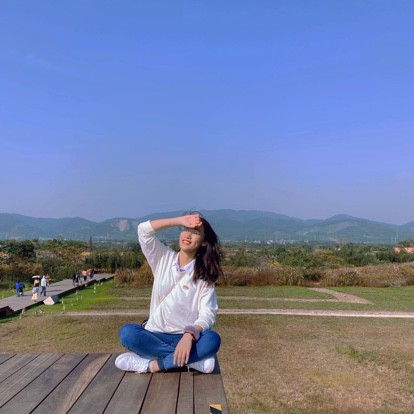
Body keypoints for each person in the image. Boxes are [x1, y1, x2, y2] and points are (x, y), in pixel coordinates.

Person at [116, 213, 223, 374]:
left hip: (187, 339)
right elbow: (143, 231)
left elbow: (208, 314)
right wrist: (179, 220)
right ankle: (191, 361)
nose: (188, 235)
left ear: (204, 241)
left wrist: (189, 335)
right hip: (155, 335)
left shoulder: (204, 276)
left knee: (212, 339)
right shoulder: (163, 258)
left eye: (195, 232)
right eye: (185, 229)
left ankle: (152, 365)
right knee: (127, 333)